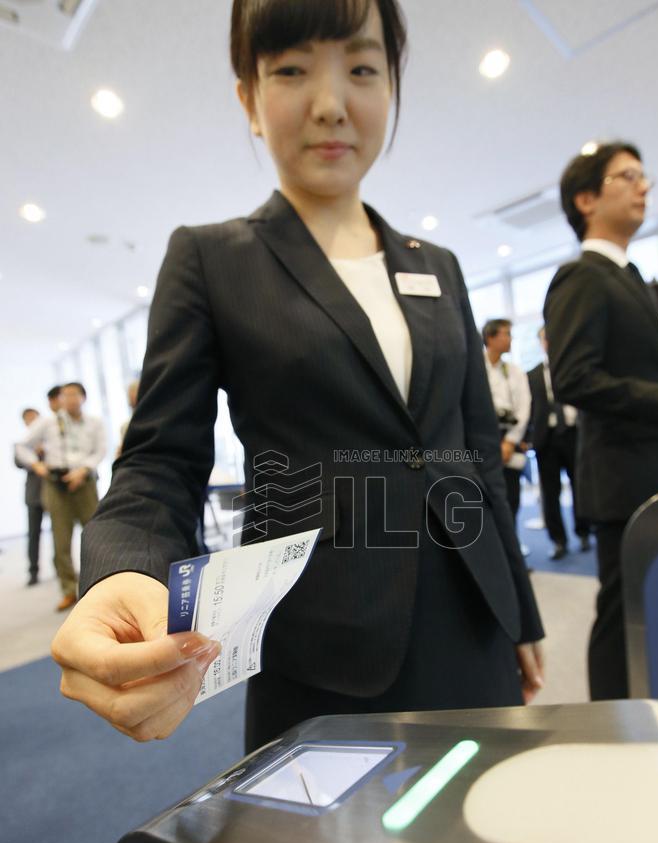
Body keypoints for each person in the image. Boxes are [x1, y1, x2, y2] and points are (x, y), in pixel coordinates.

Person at [52, 0, 544, 753]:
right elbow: (159, 460)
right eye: (291, 70)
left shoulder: (436, 267)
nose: (330, 104)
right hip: (322, 637)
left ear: (392, 87)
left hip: (473, 613)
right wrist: (127, 571)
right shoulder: (213, 260)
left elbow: (476, 454)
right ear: (249, 97)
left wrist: (522, 610)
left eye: (362, 69)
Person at [544, 141, 658, 701]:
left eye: (645, 175)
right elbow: (575, 379)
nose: (644, 186)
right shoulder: (583, 276)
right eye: (629, 176)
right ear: (587, 198)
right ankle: (610, 733)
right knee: (623, 616)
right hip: (629, 482)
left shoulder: (633, 280)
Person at [16, 382, 106, 611]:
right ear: (60, 399)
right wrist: (37, 465)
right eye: (65, 395)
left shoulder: (94, 423)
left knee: (96, 534)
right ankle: (68, 589)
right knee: (61, 539)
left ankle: (101, 585)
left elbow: (100, 450)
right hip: (55, 484)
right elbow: (21, 446)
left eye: (75, 394)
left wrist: (84, 469)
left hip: (84, 482)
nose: (70, 399)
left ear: (83, 397)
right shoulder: (47, 422)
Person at [527, 328, 590, 560]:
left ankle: (583, 531)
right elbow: (529, 408)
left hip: (574, 433)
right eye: (545, 338)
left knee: (579, 486)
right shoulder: (532, 375)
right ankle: (558, 541)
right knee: (550, 492)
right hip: (547, 439)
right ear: (541, 342)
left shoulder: (574, 367)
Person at [482, 319, 531, 523]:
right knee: (485, 496)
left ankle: (512, 545)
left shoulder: (514, 371)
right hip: (483, 439)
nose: (510, 339)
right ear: (490, 338)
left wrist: (510, 441)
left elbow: (524, 407)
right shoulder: (475, 368)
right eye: (506, 334)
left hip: (509, 438)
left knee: (512, 497)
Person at [14, 408, 45, 585]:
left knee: (60, 534)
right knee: (33, 533)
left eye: (34, 418)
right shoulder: (22, 444)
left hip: (54, 491)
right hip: (34, 493)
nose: (32, 422)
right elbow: (19, 462)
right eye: (28, 420)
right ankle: (33, 571)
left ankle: (61, 569)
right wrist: (34, 456)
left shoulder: (50, 439)